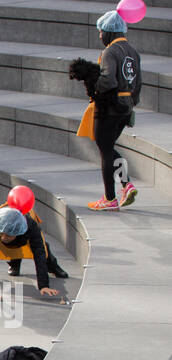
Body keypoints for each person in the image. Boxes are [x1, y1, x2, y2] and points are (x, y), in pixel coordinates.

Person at [85, 11, 142, 210]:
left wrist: (93, 85)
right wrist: (130, 105)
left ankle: (110, 198)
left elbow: (108, 80)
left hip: (110, 106)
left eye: (101, 32)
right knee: (107, 147)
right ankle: (126, 185)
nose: (100, 36)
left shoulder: (110, 51)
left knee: (105, 148)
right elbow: (138, 83)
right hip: (126, 106)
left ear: (109, 32)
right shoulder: (133, 51)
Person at [0, 206, 67, 302]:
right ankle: (14, 262)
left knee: (43, 248)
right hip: (9, 242)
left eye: (8, 235)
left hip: (24, 239)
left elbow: (39, 254)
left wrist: (44, 285)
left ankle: (53, 265)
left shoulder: (31, 227)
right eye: (1, 233)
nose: (3, 238)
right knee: (9, 249)